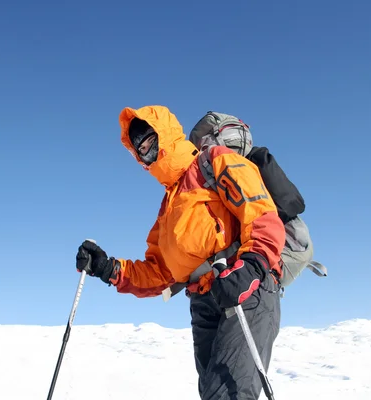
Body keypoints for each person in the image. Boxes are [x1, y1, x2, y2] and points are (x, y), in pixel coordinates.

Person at [75, 105, 286, 399]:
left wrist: (251, 265)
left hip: (243, 287)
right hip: (203, 299)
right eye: (141, 149)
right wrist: (108, 268)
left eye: (150, 140)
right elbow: (160, 273)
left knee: (226, 394)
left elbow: (261, 214)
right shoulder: (168, 206)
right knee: (214, 392)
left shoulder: (213, 162)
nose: (147, 150)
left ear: (167, 134)